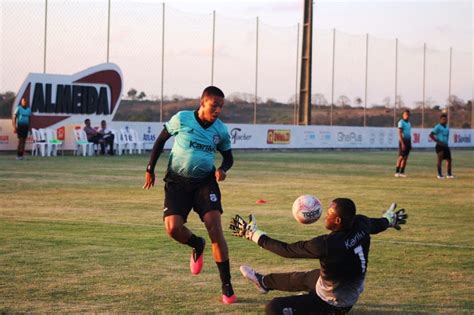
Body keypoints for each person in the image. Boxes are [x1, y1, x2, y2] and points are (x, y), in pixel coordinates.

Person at [229, 198, 408, 315]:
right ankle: (263, 282)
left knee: (273, 308)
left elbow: (286, 250)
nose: (325, 217)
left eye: (329, 214)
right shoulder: (360, 223)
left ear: (338, 221)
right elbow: (377, 224)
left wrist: (252, 234)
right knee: (307, 277)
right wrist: (389, 220)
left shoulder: (327, 244)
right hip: (347, 290)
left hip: (333, 305)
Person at [143, 86, 236, 304]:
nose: (218, 110)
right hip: (177, 182)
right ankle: (196, 244)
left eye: (221, 106)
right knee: (173, 229)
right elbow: (161, 140)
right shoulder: (183, 119)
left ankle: (227, 285)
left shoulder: (220, 130)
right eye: (215, 105)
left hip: (205, 183)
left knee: (215, 227)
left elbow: (229, 157)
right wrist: (150, 168)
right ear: (203, 102)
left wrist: (223, 169)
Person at [429, 114, 453, 179]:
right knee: (440, 160)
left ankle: (449, 174)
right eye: (443, 119)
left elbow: (447, 136)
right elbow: (431, 135)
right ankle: (439, 174)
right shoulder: (438, 127)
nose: (445, 120)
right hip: (439, 146)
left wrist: (446, 143)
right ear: (440, 120)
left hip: (445, 145)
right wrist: (438, 141)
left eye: (446, 119)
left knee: (449, 159)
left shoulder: (447, 128)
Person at [394, 110, 412, 178]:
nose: (407, 116)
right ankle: (396, 172)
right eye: (406, 114)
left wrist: (410, 143)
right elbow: (400, 133)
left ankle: (402, 172)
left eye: (408, 115)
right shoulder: (401, 122)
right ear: (403, 115)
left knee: (406, 157)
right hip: (403, 141)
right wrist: (402, 143)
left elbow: (409, 134)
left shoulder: (409, 123)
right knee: (401, 157)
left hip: (408, 141)